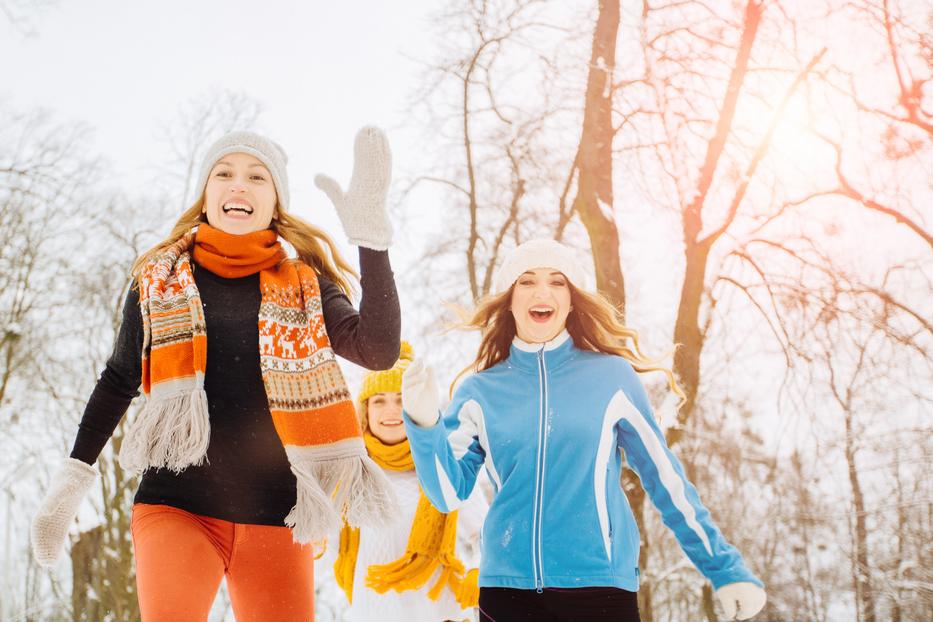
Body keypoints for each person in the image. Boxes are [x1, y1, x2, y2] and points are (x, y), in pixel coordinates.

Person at [30, 128, 401, 621]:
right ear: (207, 195)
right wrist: (73, 479)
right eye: (223, 173)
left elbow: (377, 351)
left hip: (279, 515)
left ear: (276, 203)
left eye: (257, 176)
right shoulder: (160, 281)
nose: (238, 185)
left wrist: (372, 242)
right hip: (177, 506)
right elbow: (119, 378)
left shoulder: (307, 286)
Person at [400, 239, 767, 621]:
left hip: (599, 591)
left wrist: (724, 568)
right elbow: (447, 493)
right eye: (527, 281)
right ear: (509, 299)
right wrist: (425, 423)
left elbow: (666, 481)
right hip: (507, 594)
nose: (542, 292)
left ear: (572, 299)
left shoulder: (611, 378)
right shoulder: (479, 392)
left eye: (557, 282)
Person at [330, 341, 486, 622]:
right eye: (379, 401)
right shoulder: (351, 473)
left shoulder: (443, 468)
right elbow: (326, 545)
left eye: (401, 399)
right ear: (365, 411)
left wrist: (478, 569)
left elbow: (485, 533)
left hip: (438, 613)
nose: (391, 411)